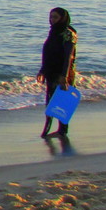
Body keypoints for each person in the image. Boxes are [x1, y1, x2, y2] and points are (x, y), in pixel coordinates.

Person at [37, 7, 77, 138]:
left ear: (63, 18)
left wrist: (64, 76)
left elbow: (68, 57)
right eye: (51, 17)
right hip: (51, 72)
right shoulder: (53, 32)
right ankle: (47, 131)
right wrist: (42, 70)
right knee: (50, 102)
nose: (52, 20)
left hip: (63, 73)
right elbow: (48, 52)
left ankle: (61, 131)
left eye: (55, 17)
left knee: (62, 103)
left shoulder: (68, 33)